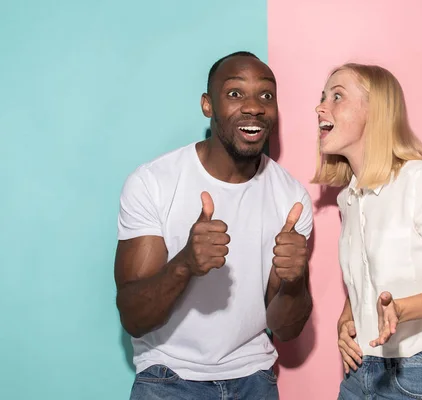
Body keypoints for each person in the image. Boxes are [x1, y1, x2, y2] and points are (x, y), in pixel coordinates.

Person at [114, 51, 314, 400]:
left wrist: (295, 282)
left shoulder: (291, 197)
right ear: (208, 105)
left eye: (266, 95)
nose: (254, 107)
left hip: (254, 377)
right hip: (168, 377)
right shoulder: (153, 182)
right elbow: (133, 316)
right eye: (235, 93)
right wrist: (185, 264)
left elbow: (286, 328)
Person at [312, 63, 422, 399]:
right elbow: (368, 275)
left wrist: (402, 309)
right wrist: (347, 319)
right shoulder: (349, 198)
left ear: (377, 111)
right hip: (360, 371)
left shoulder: (420, 181)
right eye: (323, 97)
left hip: (420, 374)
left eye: (337, 96)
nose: (321, 107)